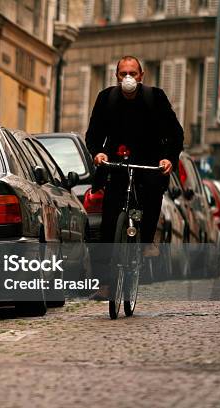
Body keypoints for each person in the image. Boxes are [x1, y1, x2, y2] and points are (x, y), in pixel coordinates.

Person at [85, 56, 184, 300]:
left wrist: (168, 158)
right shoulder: (106, 98)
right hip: (117, 163)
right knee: (109, 222)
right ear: (116, 76)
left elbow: (175, 133)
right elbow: (93, 134)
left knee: (152, 194)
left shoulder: (155, 97)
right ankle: (108, 283)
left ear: (141, 76)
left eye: (133, 73)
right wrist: (98, 152)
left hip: (149, 161)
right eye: (123, 73)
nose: (128, 77)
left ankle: (147, 240)